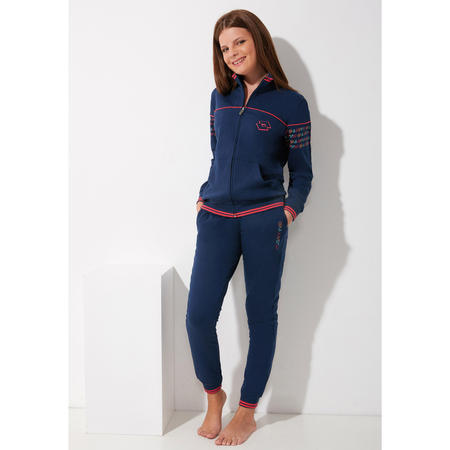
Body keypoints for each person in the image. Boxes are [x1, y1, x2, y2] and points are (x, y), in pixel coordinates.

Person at [185, 9, 313, 446]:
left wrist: (287, 211)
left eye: (239, 41)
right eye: (224, 48)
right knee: (198, 315)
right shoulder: (219, 97)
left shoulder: (290, 103)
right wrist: (205, 194)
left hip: (264, 221)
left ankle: (246, 411)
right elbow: (217, 153)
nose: (232, 53)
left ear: (257, 40)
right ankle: (214, 395)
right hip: (217, 218)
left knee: (261, 316)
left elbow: (303, 173)